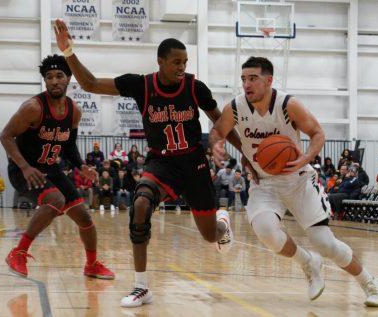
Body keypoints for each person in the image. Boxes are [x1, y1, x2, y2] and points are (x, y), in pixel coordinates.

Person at [54, 20, 252, 307]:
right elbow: (91, 83)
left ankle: (222, 223)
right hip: (161, 163)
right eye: (175, 62)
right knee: (140, 204)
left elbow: (220, 121)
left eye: (184, 61)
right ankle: (141, 287)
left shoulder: (195, 87)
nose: (181, 66)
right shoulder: (141, 85)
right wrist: (69, 51)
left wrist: (244, 152)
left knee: (210, 236)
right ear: (160, 62)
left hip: (194, 164)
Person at [209, 56, 378, 307]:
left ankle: (369, 282)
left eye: (253, 78)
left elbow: (318, 133)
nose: (247, 84)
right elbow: (218, 129)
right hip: (264, 183)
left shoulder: (288, 105)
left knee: (325, 243)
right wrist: (217, 142)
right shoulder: (236, 107)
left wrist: (305, 158)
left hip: (299, 180)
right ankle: (308, 262)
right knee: (267, 233)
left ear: (269, 80)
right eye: (243, 79)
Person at [0, 54, 114, 280]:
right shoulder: (33, 107)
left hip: (50, 168)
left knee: (84, 218)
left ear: (69, 78)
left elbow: (69, 145)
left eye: (59, 76)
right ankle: (18, 252)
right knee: (56, 200)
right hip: (24, 171)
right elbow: (5, 136)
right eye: (49, 77)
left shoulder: (74, 112)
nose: (54, 81)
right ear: (45, 81)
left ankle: (92, 265)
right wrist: (24, 167)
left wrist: (81, 166)